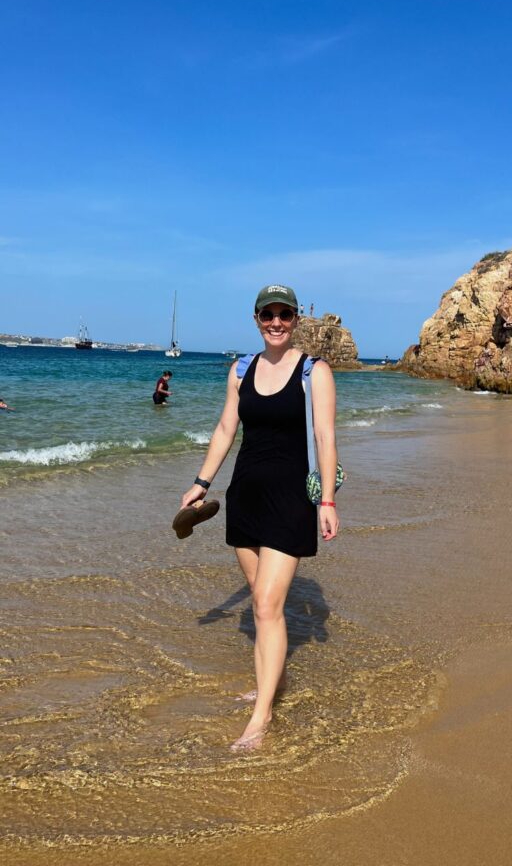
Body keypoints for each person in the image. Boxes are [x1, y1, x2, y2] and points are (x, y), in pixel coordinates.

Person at [179, 283, 339, 752]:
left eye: (284, 315)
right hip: (245, 495)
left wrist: (327, 500)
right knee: (257, 598)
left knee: (268, 607)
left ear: (294, 319)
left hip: (292, 501)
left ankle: (260, 715)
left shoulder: (315, 371)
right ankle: (275, 681)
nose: (276, 322)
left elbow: (325, 437)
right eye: (267, 314)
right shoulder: (241, 368)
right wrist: (202, 483)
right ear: (255, 319)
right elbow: (227, 426)